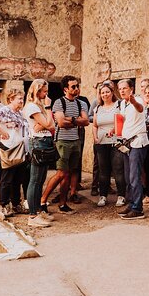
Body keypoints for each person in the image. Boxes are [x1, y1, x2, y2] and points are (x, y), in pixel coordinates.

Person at [0, 89, 38, 224]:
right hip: (9, 148)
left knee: (18, 178)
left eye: (22, 98)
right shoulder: (5, 110)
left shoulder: (21, 113)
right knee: (7, 178)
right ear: (11, 99)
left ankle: (16, 203)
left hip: (21, 149)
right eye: (19, 99)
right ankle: (4, 204)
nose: (21, 101)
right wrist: (2, 132)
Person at [40, 75, 89, 215]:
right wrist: (76, 120)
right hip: (62, 141)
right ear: (66, 89)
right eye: (73, 86)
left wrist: (70, 119)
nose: (76, 89)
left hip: (75, 140)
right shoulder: (59, 102)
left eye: (77, 86)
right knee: (61, 173)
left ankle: (63, 203)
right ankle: (42, 200)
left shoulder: (82, 103)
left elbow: (86, 122)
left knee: (68, 174)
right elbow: (60, 123)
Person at [23, 79, 56, 226]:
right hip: (38, 142)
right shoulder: (31, 107)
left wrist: (44, 123)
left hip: (45, 141)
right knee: (34, 180)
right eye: (43, 91)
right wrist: (48, 108)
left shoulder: (38, 106)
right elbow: (49, 123)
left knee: (41, 179)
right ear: (36, 91)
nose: (46, 94)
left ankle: (38, 210)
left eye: (47, 91)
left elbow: (51, 125)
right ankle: (32, 216)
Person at [116, 79, 149, 219]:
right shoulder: (123, 103)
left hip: (138, 142)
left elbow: (140, 108)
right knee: (128, 176)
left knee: (134, 176)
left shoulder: (138, 100)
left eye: (125, 88)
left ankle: (137, 208)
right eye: (120, 89)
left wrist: (134, 101)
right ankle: (131, 204)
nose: (122, 91)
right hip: (127, 143)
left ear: (131, 89)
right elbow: (125, 121)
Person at [92, 81, 126, 207]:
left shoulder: (119, 105)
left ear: (112, 93)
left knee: (118, 169)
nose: (105, 94)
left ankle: (121, 196)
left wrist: (115, 131)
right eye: (102, 93)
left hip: (116, 143)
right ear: (100, 95)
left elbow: (122, 121)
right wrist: (95, 137)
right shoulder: (98, 108)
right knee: (103, 171)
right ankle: (103, 196)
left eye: (107, 92)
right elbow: (95, 125)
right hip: (101, 143)